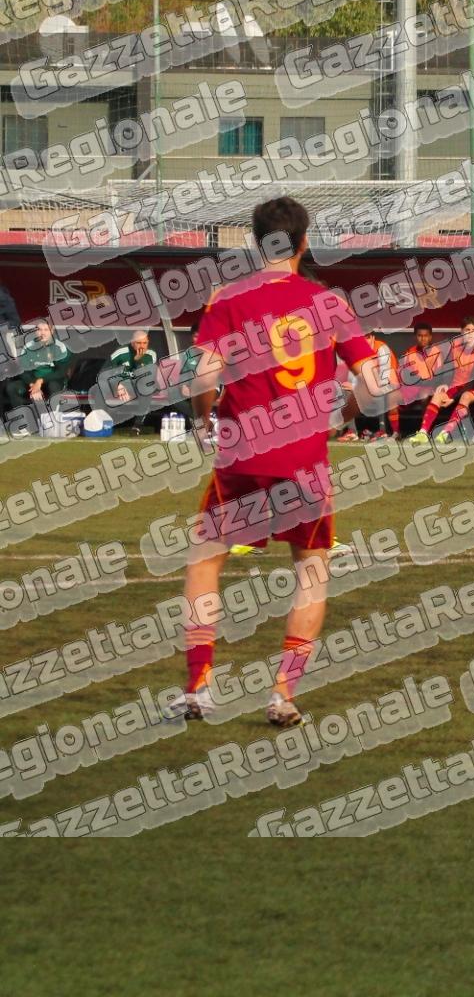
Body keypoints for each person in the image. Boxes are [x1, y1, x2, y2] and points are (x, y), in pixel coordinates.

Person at [165, 196, 390, 727]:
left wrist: (202, 421)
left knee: (205, 559)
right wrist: (342, 418)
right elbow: (375, 382)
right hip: (304, 457)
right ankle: (282, 695)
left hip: (241, 452)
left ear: (255, 241)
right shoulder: (327, 302)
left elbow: (203, 376)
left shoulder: (229, 298)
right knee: (311, 570)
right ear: (304, 243)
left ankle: (199, 688)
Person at [11, 319, 72, 436]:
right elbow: (23, 370)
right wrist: (32, 385)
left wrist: (40, 382)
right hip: (32, 382)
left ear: (52, 331)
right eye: (39, 329)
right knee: (12, 388)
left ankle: (53, 424)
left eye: (46, 330)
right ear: (35, 331)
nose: (42, 332)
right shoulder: (28, 347)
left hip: (52, 380)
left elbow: (61, 372)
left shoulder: (60, 347)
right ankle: (23, 427)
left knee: (53, 386)